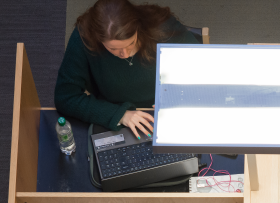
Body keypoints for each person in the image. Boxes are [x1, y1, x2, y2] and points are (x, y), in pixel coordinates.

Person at [54, 0, 199, 137]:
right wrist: (119, 114)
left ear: (137, 28)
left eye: (131, 43)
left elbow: (200, 60)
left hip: (168, 108)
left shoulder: (162, 25)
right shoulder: (83, 38)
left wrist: (179, 93)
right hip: (117, 111)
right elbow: (65, 97)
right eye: (113, 49)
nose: (124, 54)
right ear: (98, 38)